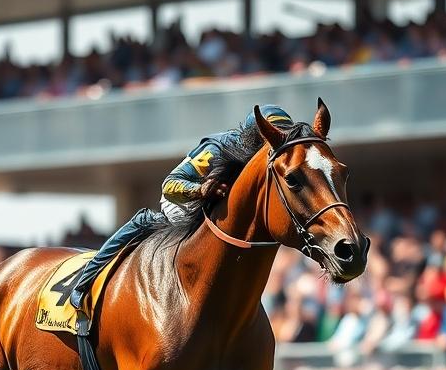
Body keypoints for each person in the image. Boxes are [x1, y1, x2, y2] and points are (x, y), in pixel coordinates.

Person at [68, 104, 295, 310]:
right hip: (186, 204)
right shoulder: (219, 148)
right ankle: (86, 280)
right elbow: (170, 186)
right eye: (271, 136)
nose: (277, 144)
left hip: (218, 210)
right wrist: (200, 190)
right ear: (254, 136)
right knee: (156, 222)